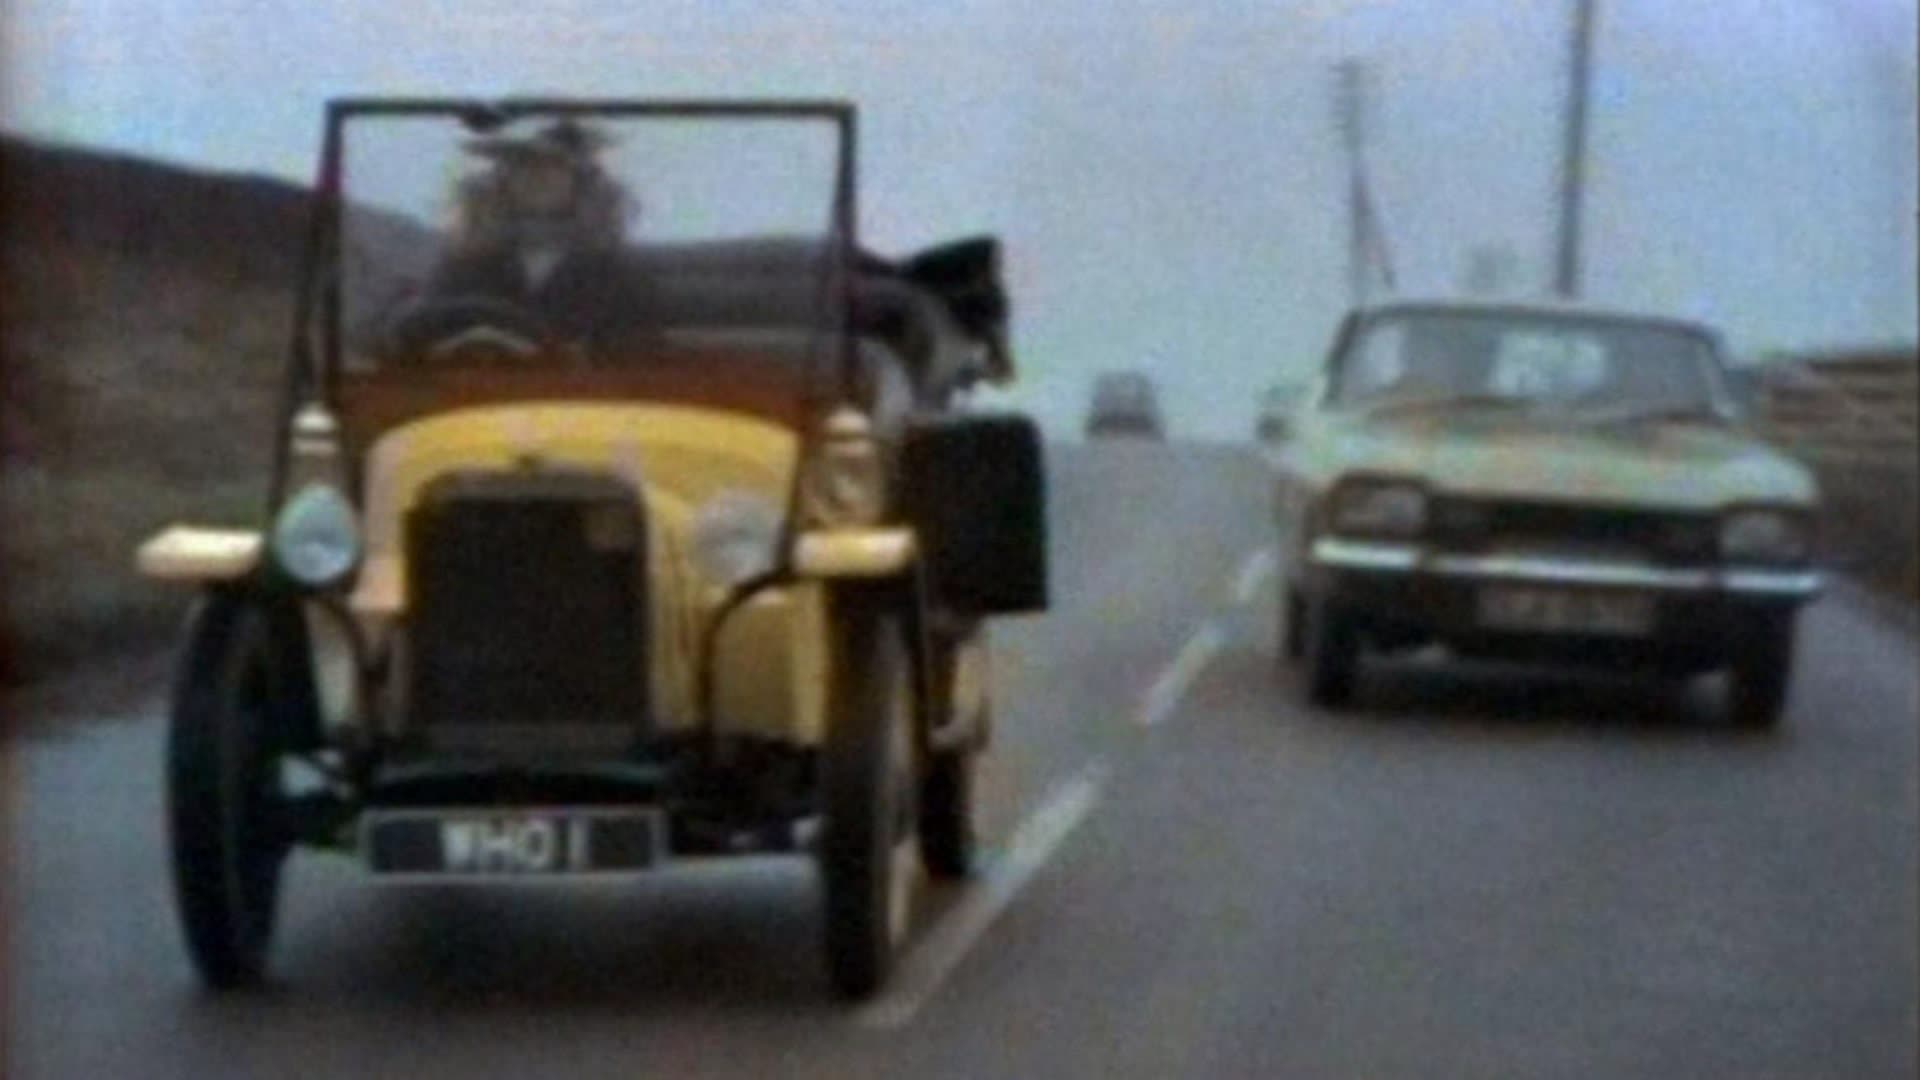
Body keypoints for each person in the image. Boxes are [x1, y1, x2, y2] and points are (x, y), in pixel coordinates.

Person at [419, 118, 649, 349]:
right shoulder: (465, 265)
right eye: (522, 164)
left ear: (581, 179)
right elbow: (427, 335)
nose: (538, 176)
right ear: (502, 179)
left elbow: (642, 348)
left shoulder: (618, 270)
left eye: (554, 164)